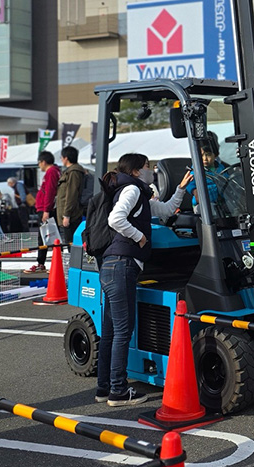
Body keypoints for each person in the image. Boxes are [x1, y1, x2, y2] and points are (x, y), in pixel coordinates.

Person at [96, 153, 192, 406]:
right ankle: (118, 390)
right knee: (122, 331)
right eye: (148, 167)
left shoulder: (138, 192)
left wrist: (180, 189)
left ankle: (104, 388)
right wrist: (139, 237)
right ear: (137, 171)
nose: (151, 170)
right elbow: (115, 219)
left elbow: (166, 210)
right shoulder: (132, 190)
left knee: (110, 331)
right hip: (121, 266)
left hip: (113, 266)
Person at [27, 151, 61, 273]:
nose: (39, 165)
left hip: (46, 209)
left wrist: (46, 210)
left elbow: (50, 191)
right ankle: (43, 262)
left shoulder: (51, 172)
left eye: (39, 163)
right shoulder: (55, 171)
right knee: (47, 236)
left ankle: (43, 263)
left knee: (46, 237)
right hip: (46, 208)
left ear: (43, 162)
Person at [56, 145, 87, 247]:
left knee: (71, 243)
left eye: (62, 157)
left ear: (66, 158)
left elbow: (71, 194)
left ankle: (74, 263)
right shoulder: (70, 172)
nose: (61, 159)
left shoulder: (73, 172)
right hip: (70, 214)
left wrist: (67, 215)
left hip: (72, 215)